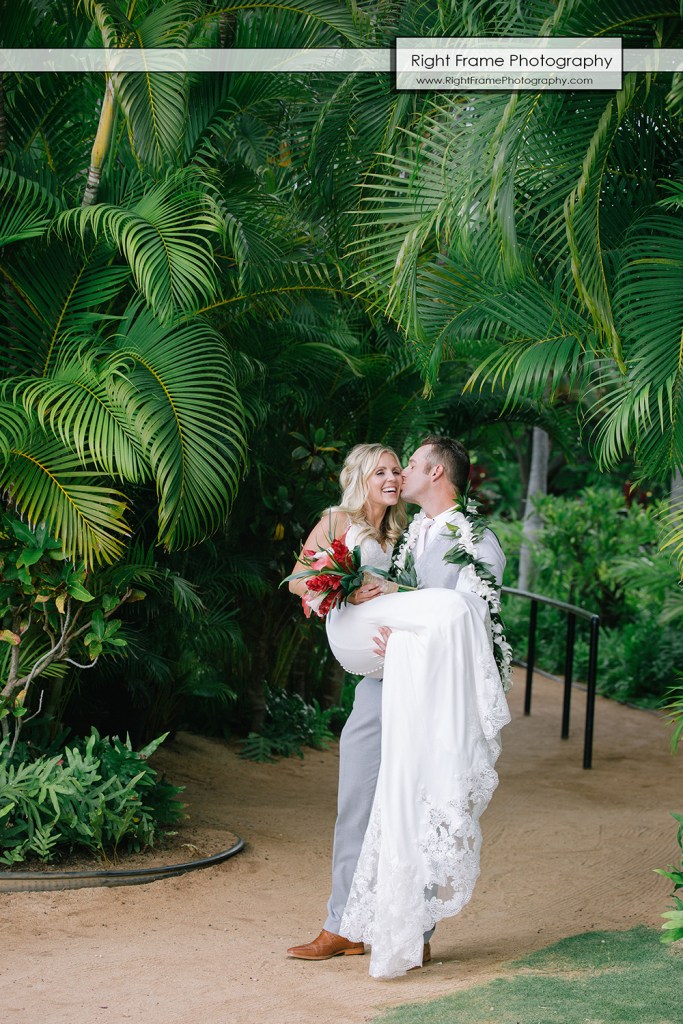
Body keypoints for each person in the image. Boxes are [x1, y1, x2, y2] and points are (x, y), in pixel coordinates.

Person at [286, 437, 510, 978]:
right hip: (379, 685)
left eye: (404, 466)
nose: (397, 475)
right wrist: (341, 595)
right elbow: (307, 581)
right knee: (357, 799)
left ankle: (418, 932)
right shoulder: (405, 534)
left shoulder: (476, 539)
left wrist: (411, 644)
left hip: (431, 693)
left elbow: (472, 625)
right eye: (386, 468)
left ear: (433, 472)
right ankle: (343, 924)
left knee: (426, 803)